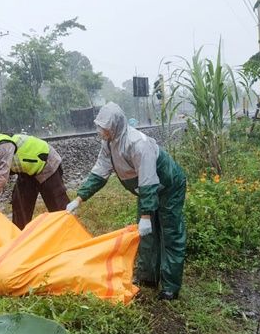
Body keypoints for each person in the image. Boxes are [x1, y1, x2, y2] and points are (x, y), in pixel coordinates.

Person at [66, 102, 187, 301]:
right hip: (146, 190)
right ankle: (148, 277)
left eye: (104, 127)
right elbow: (100, 172)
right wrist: (79, 198)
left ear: (116, 125)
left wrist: (147, 215)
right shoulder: (109, 142)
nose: (100, 131)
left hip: (168, 186)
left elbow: (148, 180)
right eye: (100, 126)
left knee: (170, 232)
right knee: (146, 236)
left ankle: (170, 287)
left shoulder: (138, 144)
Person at [0, 131, 69, 229]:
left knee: (57, 204)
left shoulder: (2, 146)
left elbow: (1, 177)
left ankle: (69, 232)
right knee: (20, 206)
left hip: (46, 164)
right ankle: (19, 239)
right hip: (26, 172)